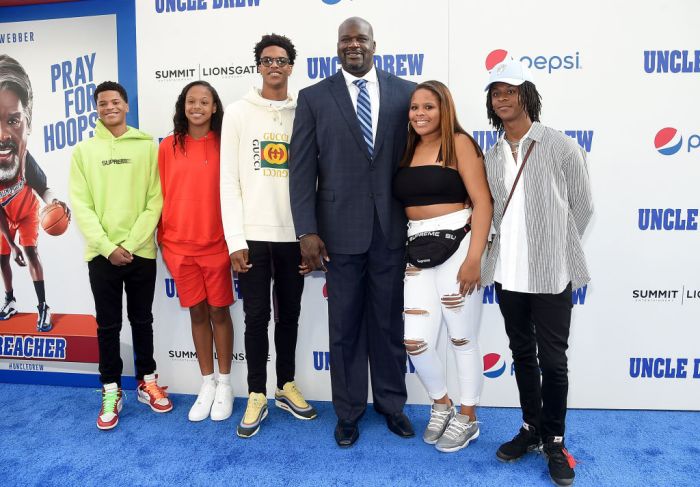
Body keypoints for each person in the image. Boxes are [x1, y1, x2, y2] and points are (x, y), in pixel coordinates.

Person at [289, 17, 416, 447]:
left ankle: (392, 405)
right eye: (346, 39)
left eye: (360, 38)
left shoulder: (405, 93)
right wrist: (306, 228)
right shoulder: (313, 97)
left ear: (375, 45)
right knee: (343, 327)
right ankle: (348, 412)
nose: (353, 45)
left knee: (387, 322)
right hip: (337, 233)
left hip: (391, 230)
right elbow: (301, 168)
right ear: (337, 47)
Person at [482, 59, 592, 486]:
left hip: (551, 274)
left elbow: (582, 207)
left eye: (510, 90)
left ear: (527, 95)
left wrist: (554, 248)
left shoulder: (560, 145)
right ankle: (531, 427)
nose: (503, 98)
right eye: (496, 93)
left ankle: (555, 439)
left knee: (554, 361)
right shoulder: (491, 155)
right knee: (522, 355)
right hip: (508, 275)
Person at [221, 33, 317, 439]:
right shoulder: (238, 112)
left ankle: (286, 385)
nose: (274, 66)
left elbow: (317, 177)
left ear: (292, 66)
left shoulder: (305, 111)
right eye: (267, 60)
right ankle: (256, 393)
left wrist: (310, 234)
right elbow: (229, 181)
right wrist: (235, 240)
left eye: (281, 60)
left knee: (290, 315)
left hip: (294, 235)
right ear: (258, 66)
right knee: (256, 317)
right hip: (253, 238)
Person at [393, 80, 492, 452]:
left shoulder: (460, 143)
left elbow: (483, 202)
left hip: (459, 244)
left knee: (461, 337)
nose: (420, 113)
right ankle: (441, 403)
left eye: (428, 107)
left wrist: (474, 258)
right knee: (415, 339)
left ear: (444, 109)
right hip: (417, 248)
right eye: (414, 107)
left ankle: (468, 415)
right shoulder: (408, 147)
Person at [70, 81, 172, 430]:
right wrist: (108, 247)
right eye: (102, 103)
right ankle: (111, 388)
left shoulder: (147, 146)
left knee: (142, 320)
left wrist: (130, 244)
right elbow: (81, 206)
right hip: (101, 255)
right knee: (108, 325)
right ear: (96, 109)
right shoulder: (83, 151)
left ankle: (147, 380)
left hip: (140, 250)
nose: (109, 107)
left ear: (126, 105)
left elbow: (155, 200)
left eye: (115, 101)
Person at [158, 81, 234, 423]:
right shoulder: (167, 146)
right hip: (178, 246)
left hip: (217, 244)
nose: (198, 106)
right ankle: (207, 383)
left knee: (219, 312)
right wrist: (162, 236)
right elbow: (157, 194)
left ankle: (226, 383)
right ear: (182, 105)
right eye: (192, 101)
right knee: (197, 314)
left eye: (205, 101)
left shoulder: (226, 144)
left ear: (215, 107)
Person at [0, 54, 71, 331]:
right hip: (4, 218)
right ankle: (10, 299)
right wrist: (11, 243)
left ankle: (43, 306)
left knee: (31, 254)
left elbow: (44, 188)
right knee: (4, 257)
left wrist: (56, 202)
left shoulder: (24, 158)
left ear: (27, 122)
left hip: (27, 211)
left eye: (13, 121)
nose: (3, 133)